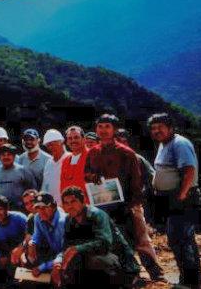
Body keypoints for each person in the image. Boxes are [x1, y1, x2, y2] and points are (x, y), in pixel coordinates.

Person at [84, 113, 163, 280]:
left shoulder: (126, 153)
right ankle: (125, 275)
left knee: (140, 239)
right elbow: (86, 173)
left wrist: (134, 204)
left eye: (107, 127)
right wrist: (92, 177)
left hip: (127, 203)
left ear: (114, 130)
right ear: (96, 129)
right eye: (100, 126)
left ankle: (155, 274)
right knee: (114, 241)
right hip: (103, 204)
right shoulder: (92, 153)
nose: (103, 130)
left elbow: (136, 179)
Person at [150, 113, 201, 288]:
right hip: (172, 199)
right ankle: (190, 280)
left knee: (180, 239)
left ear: (170, 128)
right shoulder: (164, 144)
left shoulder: (179, 143)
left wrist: (181, 196)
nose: (157, 131)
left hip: (183, 198)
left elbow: (189, 170)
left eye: (160, 127)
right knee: (181, 239)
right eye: (154, 128)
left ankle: (190, 282)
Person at [54, 186, 140, 288]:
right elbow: (67, 246)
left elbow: (105, 243)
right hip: (93, 261)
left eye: (73, 201)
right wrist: (58, 263)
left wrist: (76, 249)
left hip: (120, 263)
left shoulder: (97, 215)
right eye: (66, 203)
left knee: (94, 260)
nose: (70, 206)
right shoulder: (69, 220)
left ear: (83, 201)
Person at [0, 195, 28, 283]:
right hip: (5, 254)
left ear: (6, 208)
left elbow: (31, 236)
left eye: (0, 209)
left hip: (23, 249)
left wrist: (21, 249)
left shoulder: (20, 218)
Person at [26, 192, 66, 280]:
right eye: (38, 208)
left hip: (67, 256)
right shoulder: (37, 217)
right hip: (54, 254)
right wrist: (31, 243)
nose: (40, 211)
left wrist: (42, 267)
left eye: (44, 208)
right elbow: (37, 236)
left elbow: (65, 253)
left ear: (54, 206)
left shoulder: (62, 222)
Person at [0, 144, 35, 210]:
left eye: (9, 154)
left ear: (14, 156)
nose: (6, 157)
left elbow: (33, 191)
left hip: (20, 210)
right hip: (0, 211)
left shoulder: (23, 171)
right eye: (3, 155)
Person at [41, 129, 68, 205]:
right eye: (48, 145)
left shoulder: (70, 158)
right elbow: (45, 187)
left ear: (61, 142)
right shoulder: (48, 163)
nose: (51, 147)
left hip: (68, 206)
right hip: (52, 207)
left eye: (53, 143)